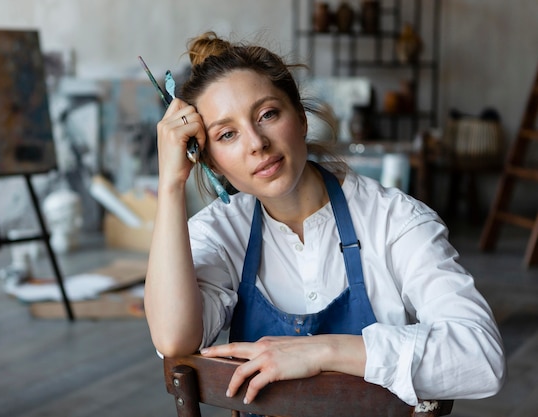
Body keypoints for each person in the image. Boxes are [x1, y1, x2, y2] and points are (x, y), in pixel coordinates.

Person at [144, 31, 506, 408]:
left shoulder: (393, 220)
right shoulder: (221, 232)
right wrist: (171, 184)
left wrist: (321, 352)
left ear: (300, 118)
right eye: (228, 134)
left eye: (268, 114)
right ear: (211, 161)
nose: (256, 143)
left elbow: (481, 358)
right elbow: (173, 340)